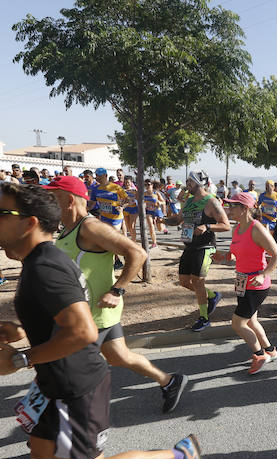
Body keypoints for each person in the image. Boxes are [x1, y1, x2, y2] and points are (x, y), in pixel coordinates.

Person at [0, 182, 209, 459]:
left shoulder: (46, 266)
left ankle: (180, 455)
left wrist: (22, 358)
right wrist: (21, 330)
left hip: (77, 385)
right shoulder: (40, 260)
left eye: (1, 214)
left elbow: (84, 332)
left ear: (29, 223)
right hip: (54, 381)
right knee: (41, 451)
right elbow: (61, 320)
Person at [47, 176, 189, 413]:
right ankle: (169, 381)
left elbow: (138, 254)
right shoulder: (67, 228)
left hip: (93, 314)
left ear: (70, 200)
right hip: (87, 311)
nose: (48, 201)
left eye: (53, 197)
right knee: (118, 356)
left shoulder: (91, 227)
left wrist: (117, 289)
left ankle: (64, 426)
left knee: (71, 372)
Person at [212, 191, 277, 374]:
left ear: (244, 209)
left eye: (233, 205)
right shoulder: (237, 228)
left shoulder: (256, 228)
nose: (229, 209)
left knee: (237, 323)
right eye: (229, 205)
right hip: (243, 281)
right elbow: (237, 252)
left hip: (257, 284)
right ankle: (270, 350)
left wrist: (263, 274)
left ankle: (259, 355)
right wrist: (224, 256)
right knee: (251, 321)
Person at [168, 171, 230, 331]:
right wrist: (162, 220)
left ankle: (204, 318)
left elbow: (226, 225)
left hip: (205, 246)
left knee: (197, 281)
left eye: (190, 182)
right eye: (187, 181)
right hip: (189, 245)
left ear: (198, 183)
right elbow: (177, 220)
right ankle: (212, 295)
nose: (187, 184)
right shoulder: (188, 201)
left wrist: (207, 226)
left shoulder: (211, 201)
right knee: (183, 281)